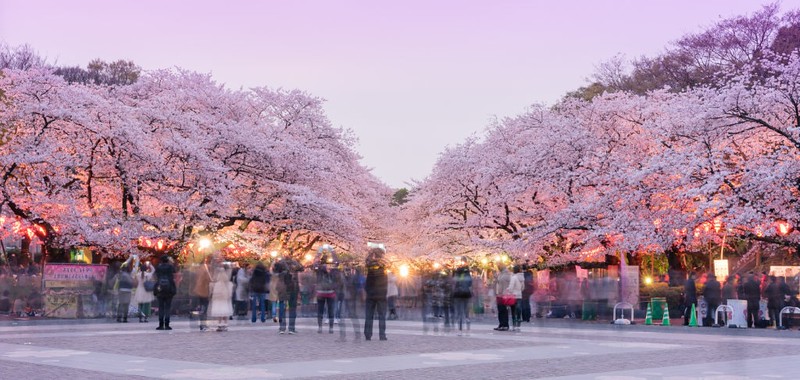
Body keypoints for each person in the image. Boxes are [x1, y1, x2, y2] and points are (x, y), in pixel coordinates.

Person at [364, 247, 388, 341]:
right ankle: (382, 335)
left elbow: (367, 261)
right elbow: (389, 263)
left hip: (370, 293)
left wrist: (371, 253)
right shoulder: (384, 265)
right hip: (381, 293)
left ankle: (367, 334)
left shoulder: (370, 265)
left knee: (369, 315)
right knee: (382, 315)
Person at [208, 261, 234, 331]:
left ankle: (219, 323)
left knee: (219, 310)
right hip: (223, 297)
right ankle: (224, 324)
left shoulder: (216, 282)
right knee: (224, 310)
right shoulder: (226, 282)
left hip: (218, 297)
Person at [314, 258, 337, 334]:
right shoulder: (332, 273)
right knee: (331, 311)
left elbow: (315, 266)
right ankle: (331, 328)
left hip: (321, 293)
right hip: (330, 293)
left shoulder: (319, 273)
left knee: (320, 311)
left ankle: (320, 327)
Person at [154, 255, 177, 330]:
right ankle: (167, 324)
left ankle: (160, 324)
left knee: (161, 307)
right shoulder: (170, 267)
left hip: (160, 288)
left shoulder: (158, 267)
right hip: (169, 288)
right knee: (167, 307)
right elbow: (174, 273)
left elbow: (156, 276)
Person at [452, 258, 472, 336]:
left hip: (458, 294)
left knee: (459, 312)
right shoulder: (467, 276)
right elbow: (470, 284)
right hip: (466, 294)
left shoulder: (457, 276)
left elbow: (453, 283)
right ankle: (468, 328)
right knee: (466, 311)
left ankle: (460, 329)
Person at [192, 260, 212, 331]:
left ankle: (202, 324)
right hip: (204, 291)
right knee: (204, 308)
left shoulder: (197, 269)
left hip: (198, 290)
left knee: (201, 307)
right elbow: (209, 279)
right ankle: (203, 324)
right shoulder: (205, 269)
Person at [494, 264, 512, 331]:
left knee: (504, 310)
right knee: (500, 310)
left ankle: (505, 325)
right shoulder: (500, 274)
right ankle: (501, 324)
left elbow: (508, 284)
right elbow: (499, 283)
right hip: (499, 294)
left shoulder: (507, 274)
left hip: (504, 294)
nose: (498, 268)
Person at [507, 265, 524, 331]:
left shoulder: (513, 277)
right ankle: (519, 324)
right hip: (519, 295)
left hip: (513, 296)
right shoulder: (522, 278)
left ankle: (514, 324)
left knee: (513, 310)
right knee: (518, 309)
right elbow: (522, 287)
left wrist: (509, 290)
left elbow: (511, 287)